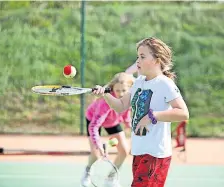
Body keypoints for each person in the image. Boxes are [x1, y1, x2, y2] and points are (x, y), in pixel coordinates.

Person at [93, 37, 189, 187]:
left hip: (155, 154)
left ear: (157, 60)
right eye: (138, 56)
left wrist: (152, 116)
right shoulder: (139, 82)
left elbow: (183, 112)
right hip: (139, 151)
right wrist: (105, 93)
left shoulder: (164, 84)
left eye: (142, 57)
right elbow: (120, 106)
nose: (138, 60)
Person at [81, 72, 135, 187]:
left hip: (113, 121)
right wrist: (98, 144)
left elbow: (126, 114)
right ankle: (87, 172)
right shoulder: (106, 102)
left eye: (124, 90)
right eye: (117, 90)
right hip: (93, 120)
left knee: (124, 151)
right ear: (112, 89)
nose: (120, 94)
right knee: (96, 154)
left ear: (129, 89)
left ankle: (110, 178)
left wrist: (132, 128)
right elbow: (94, 126)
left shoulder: (130, 98)